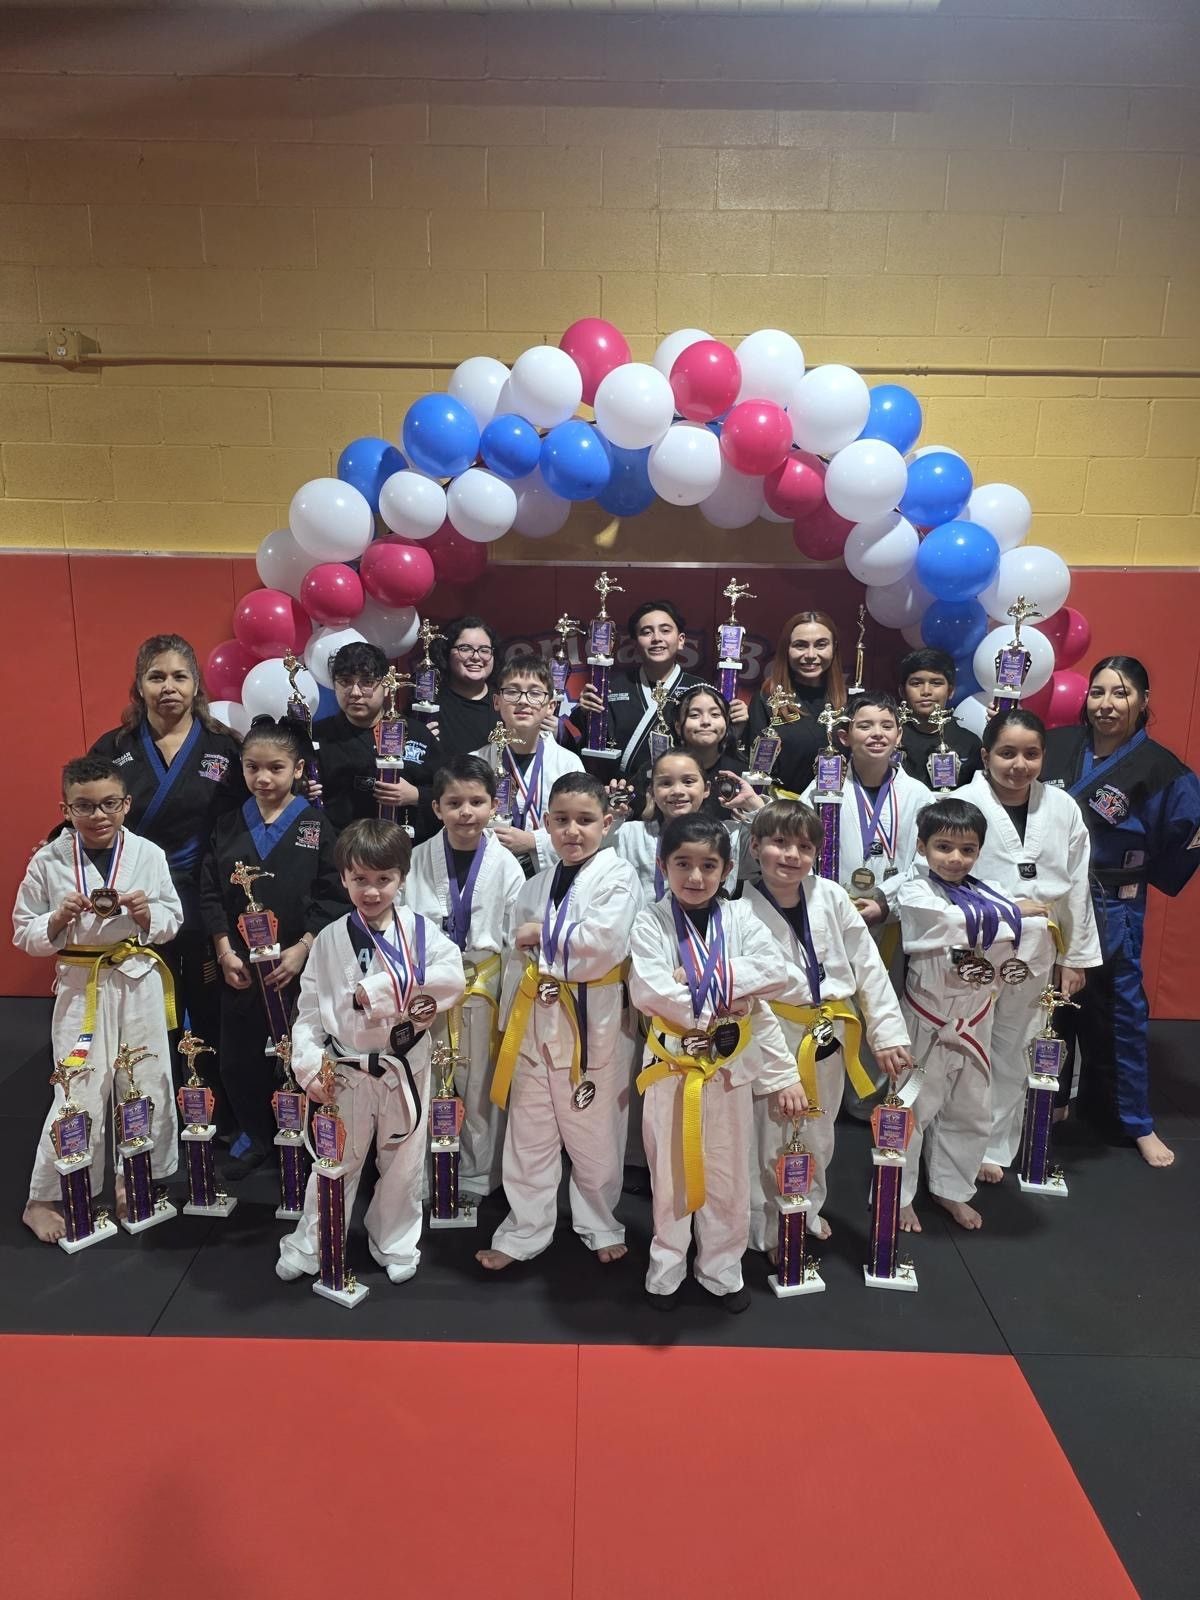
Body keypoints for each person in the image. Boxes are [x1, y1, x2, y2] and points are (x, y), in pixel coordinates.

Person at [277, 819, 465, 1286]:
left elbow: (451, 982)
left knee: (403, 1162)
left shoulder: (424, 934)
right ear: (343, 878)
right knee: (334, 1160)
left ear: (402, 878)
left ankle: (395, 1240)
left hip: (405, 1065)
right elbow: (307, 1014)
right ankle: (313, 1242)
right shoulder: (327, 940)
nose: (372, 891)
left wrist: (377, 991)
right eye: (360, 879)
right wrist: (307, 1067)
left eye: (384, 879)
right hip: (344, 1069)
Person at [628, 814, 805, 1311]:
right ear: (663, 866)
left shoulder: (741, 917)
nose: (696, 877)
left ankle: (721, 1271)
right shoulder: (649, 920)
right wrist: (731, 996)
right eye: (682, 864)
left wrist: (704, 979)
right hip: (673, 1067)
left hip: (729, 1067)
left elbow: (780, 975)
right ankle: (666, 1267)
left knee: (729, 1173)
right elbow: (652, 992)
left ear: (727, 869)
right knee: (671, 1174)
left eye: (709, 865)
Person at [476, 773, 639, 1272]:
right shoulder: (534, 885)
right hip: (534, 1017)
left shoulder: (619, 876)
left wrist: (541, 933)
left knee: (594, 1131)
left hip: (596, 1019)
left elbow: (604, 943)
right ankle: (525, 1229)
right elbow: (512, 957)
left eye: (585, 821)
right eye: (562, 820)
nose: (573, 831)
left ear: (607, 823)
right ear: (545, 824)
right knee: (529, 1131)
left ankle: (600, 1222)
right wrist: (508, 1021)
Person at [15, 756, 182, 1243]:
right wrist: (55, 919)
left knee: (145, 1078)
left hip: (138, 975)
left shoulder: (148, 854)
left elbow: (173, 919)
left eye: (109, 803)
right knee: (78, 1087)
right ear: (65, 808)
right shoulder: (47, 861)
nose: (98, 815)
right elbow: (23, 932)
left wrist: (149, 913)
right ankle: (44, 1197)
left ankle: (135, 1178)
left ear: (126, 804)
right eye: (84, 806)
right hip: (81, 980)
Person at [1043, 656, 1200, 1168]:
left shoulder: (1160, 768)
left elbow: (1187, 831)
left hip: (1114, 901)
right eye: (1098, 692)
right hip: (1050, 897)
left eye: (1121, 693)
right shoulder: (1060, 745)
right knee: (1049, 1004)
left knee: (1120, 1010)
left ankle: (1134, 1120)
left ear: (1144, 701)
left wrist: (1148, 873)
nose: (1107, 704)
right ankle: (1054, 1099)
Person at [741, 799, 912, 1251]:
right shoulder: (738, 908)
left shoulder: (832, 896)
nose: (792, 855)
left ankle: (807, 1208)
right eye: (779, 843)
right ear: (755, 846)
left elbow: (869, 966)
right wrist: (778, 1071)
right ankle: (768, 1228)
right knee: (770, 1132)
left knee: (818, 1131)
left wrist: (887, 1034)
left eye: (804, 846)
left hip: (829, 1031)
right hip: (773, 1032)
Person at [89, 634, 242, 1120]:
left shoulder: (223, 746)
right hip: (140, 894)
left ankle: (211, 1102)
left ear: (196, 684)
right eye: (157, 677)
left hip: (205, 893)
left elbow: (246, 819)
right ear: (139, 685)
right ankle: (151, 1102)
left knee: (207, 1000)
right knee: (147, 1002)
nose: (168, 687)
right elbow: (90, 809)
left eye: (179, 676)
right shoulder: (114, 748)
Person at [199, 717, 346, 1179]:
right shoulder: (226, 825)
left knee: (300, 1049)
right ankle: (256, 1136)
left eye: (275, 768)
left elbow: (334, 893)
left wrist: (304, 947)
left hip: (297, 966)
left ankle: (304, 1133)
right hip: (240, 966)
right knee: (240, 1054)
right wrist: (223, 950)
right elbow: (209, 893)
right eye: (252, 768)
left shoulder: (316, 824)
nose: (263, 778)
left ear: (298, 769)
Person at [956, 710, 1100, 1181]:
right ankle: (953, 1145)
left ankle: (994, 1148)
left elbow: (1077, 884)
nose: (1019, 764)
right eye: (1007, 752)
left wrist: (1075, 956)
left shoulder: (1062, 807)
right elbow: (937, 881)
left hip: (1039, 949)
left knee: (1017, 1046)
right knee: (964, 1046)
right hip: (974, 946)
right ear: (985, 755)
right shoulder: (960, 803)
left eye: (1031, 754)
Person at [894, 798, 1048, 1233]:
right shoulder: (914, 889)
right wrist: (1013, 913)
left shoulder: (989, 890)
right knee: (912, 1108)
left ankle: (951, 1188)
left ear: (980, 851)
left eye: (967, 849)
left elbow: (1032, 931)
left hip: (976, 1016)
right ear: (922, 847)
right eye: (944, 847)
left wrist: (1010, 913)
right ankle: (899, 1194)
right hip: (927, 1016)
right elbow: (942, 924)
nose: (955, 858)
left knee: (970, 1107)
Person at [404, 755, 525, 1201]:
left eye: (477, 801)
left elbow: (514, 940)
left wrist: (512, 1004)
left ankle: (474, 1175)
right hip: (430, 987)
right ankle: (419, 1172)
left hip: (481, 985)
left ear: (494, 805)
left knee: (477, 1085)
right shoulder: (416, 859)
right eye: (454, 802)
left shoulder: (507, 865)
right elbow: (402, 928)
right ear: (436, 808)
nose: (466, 812)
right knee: (426, 1080)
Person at [800, 692, 927, 932]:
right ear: (844, 736)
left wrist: (885, 901)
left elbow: (925, 861)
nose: (877, 733)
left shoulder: (918, 794)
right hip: (834, 914)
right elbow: (801, 846)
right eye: (865, 726)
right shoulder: (823, 789)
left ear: (898, 735)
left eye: (887, 726)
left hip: (895, 913)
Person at [311, 641, 441, 840]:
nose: (355, 693)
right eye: (345, 681)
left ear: (387, 686)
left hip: (408, 851)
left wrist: (416, 796)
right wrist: (303, 789)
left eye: (367, 682)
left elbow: (450, 792)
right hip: (343, 852)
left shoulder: (417, 734)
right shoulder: (318, 736)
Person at [473, 652, 583, 875]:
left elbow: (581, 825)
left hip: (550, 876)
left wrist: (534, 841)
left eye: (534, 693)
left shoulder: (569, 763)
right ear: (497, 701)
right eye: (512, 691)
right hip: (486, 873)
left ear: (550, 706)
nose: (523, 701)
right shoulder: (475, 762)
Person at [573, 599, 707, 774]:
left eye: (665, 630)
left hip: (680, 791)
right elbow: (593, 748)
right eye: (646, 632)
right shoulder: (612, 689)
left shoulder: (700, 690)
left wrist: (739, 723)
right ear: (635, 644)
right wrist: (585, 712)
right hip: (622, 791)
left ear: (681, 640)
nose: (657, 638)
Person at [614, 748, 737, 904]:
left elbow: (765, 852)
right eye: (666, 783)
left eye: (688, 782)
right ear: (652, 791)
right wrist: (607, 815)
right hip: (643, 925)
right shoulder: (629, 834)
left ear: (706, 789)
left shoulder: (728, 835)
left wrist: (755, 806)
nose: (677, 791)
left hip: (710, 925)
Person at [745, 611, 846, 796]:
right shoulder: (767, 700)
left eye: (821, 645)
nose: (810, 654)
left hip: (840, 810)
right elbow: (756, 771)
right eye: (800, 645)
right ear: (786, 649)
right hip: (783, 812)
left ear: (834, 648)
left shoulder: (850, 703)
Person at [897, 647, 983, 789]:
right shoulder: (893, 740)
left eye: (936, 683)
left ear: (950, 691)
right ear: (902, 691)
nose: (926, 691)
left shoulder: (969, 743)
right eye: (916, 683)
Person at [422, 615, 502, 757]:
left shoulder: (506, 703)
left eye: (484, 650)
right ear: (447, 652)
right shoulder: (428, 707)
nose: (476, 657)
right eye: (465, 648)